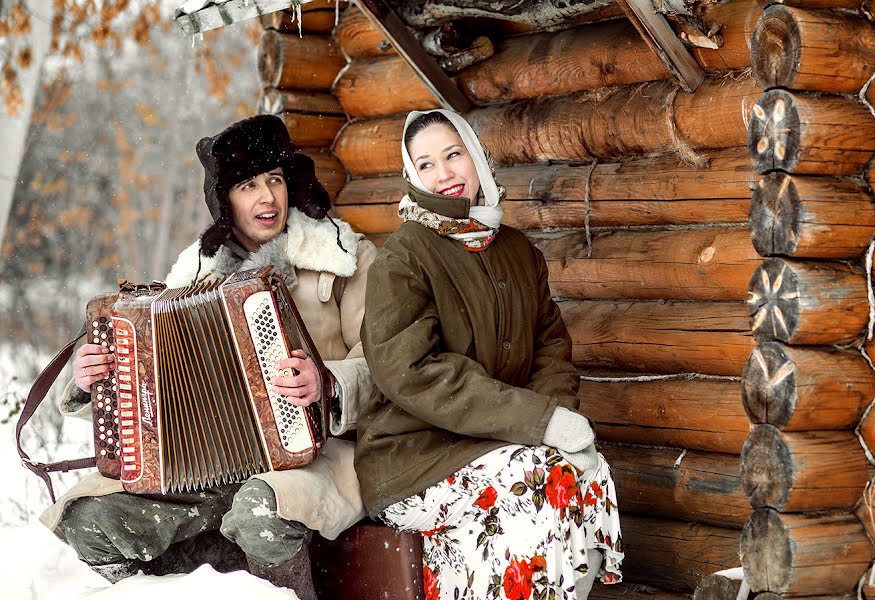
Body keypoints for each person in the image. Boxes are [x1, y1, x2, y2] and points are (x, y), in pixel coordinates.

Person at [39, 115, 376, 599]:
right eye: (247, 186)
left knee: (260, 510)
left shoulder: (345, 256)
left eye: (275, 181)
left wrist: (329, 383)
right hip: (203, 469)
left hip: (317, 456)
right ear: (224, 201)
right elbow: (148, 373)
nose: (267, 199)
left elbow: (387, 364)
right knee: (92, 520)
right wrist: (93, 378)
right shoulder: (190, 275)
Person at [355, 109, 624, 600]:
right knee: (543, 477)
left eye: (454, 155)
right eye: (427, 163)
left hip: (496, 446)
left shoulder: (518, 251)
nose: (445, 174)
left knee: (589, 468)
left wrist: (555, 419)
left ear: (476, 157)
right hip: (414, 457)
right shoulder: (404, 257)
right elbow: (412, 373)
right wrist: (538, 422)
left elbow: (550, 347)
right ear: (413, 175)